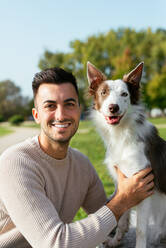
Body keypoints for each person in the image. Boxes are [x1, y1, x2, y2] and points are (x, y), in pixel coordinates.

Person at [0, 67, 154, 248]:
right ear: (36, 115)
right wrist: (123, 200)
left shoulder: (81, 164)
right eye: (50, 106)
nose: (61, 114)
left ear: (79, 111)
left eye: (69, 104)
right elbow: (55, 243)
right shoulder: (16, 162)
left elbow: (106, 215)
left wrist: (127, 190)